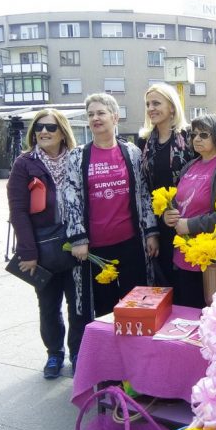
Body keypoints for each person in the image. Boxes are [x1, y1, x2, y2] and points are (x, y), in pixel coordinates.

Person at [64, 93, 159, 325]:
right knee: (104, 310)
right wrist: (78, 239)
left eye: (101, 113)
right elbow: (70, 198)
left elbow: (144, 195)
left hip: (130, 245)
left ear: (115, 118)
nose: (95, 118)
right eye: (91, 114)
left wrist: (151, 232)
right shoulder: (78, 156)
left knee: (135, 306)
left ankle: (134, 356)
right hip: (96, 250)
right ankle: (108, 357)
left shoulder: (133, 153)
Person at [140, 83, 216, 286]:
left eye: (156, 103)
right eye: (147, 104)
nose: (151, 108)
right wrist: (154, 225)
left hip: (201, 230)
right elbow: (143, 188)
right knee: (171, 287)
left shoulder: (186, 136)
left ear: (172, 107)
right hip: (163, 220)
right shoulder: (145, 141)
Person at [7, 108, 83, 378]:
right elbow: (18, 211)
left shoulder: (78, 158)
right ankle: (54, 354)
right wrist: (27, 251)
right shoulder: (24, 164)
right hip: (43, 248)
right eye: (38, 127)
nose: (43, 132)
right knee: (49, 305)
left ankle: (78, 354)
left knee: (78, 305)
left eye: (50, 127)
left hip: (77, 244)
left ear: (62, 132)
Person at [162, 114, 216, 308]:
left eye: (204, 135)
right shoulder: (190, 165)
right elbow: (178, 202)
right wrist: (167, 215)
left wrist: (189, 225)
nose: (196, 139)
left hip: (211, 262)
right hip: (183, 257)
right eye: (193, 134)